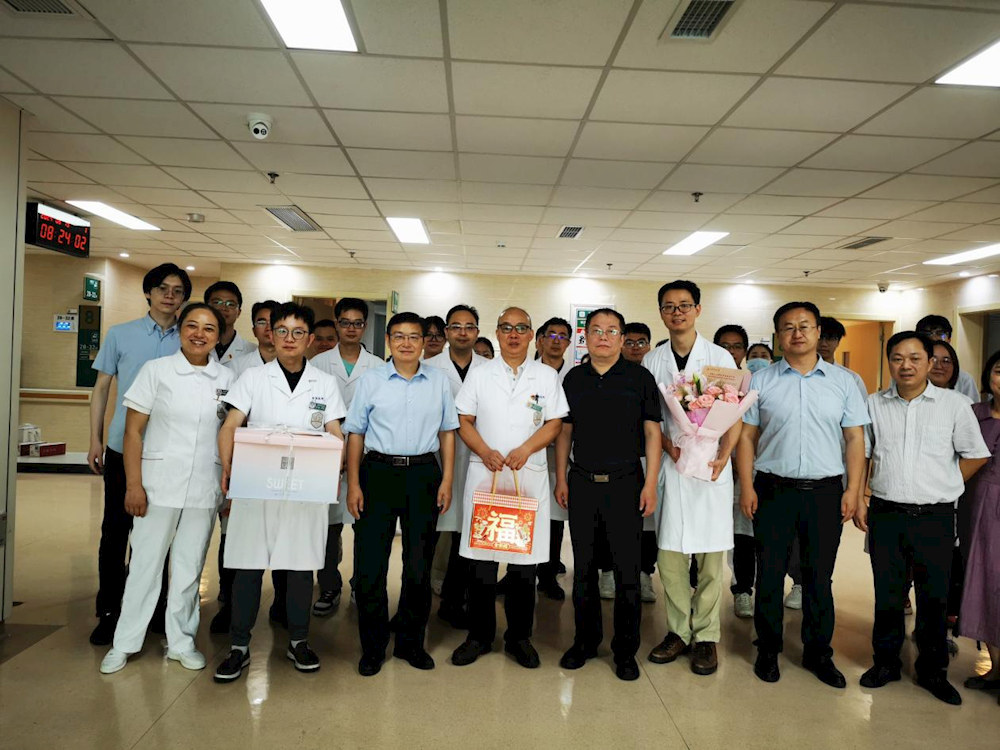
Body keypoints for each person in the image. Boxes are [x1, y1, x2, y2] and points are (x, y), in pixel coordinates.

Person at [738, 301, 869, 687]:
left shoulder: (844, 382)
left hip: (825, 492)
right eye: (788, 327)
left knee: (818, 577)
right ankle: (768, 648)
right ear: (778, 336)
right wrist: (746, 486)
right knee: (769, 573)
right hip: (772, 489)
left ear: (817, 332)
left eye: (805, 326)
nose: (797, 333)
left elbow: (855, 438)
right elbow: (746, 436)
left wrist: (854, 490)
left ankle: (818, 652)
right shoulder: (761, 381)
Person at [213, 303, 347, 682]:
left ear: (310, 339)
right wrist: (229, 467)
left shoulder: (324, 383)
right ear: (270, 334)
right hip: (256, 486)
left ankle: (298, 641)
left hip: (305, 490)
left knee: (301, 567)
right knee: (248, 566)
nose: (290, 339)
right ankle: (239, 647)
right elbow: (230, 425)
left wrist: (335, 466)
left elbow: (336, 433)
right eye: (282, 331)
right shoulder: (253, 378)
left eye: (298, 332)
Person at [100, 304, 234, 673]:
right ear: (181, 330)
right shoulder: (156, 371)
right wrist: (133, 485)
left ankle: (181, 642)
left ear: (218, 336)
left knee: (189, 568)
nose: (199, 334)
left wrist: (229, 487)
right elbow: (132, 432)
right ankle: (125, 643)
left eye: (209, 328)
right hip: (157, 485)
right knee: (145, 566)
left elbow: (231, 433)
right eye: (192, 325)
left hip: (204, 486)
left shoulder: (227, 377)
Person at [855, 331, 988, 705]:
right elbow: (864, 453)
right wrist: (861, 498)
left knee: (934, 598)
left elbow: (976, 454)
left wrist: (946, 482)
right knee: (888, 595)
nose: (906, 365)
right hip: (887, 513)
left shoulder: (955, 404)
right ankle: (885, 663)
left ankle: (933, 671)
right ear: (889, 363)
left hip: (935, 516)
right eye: (897, 358)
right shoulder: (873, 403)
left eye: (915, 358)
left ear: (930, 363)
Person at [450, 307, 568, 669]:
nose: (513, 334)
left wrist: (527, 449)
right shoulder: (480, 374)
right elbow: (463, 419)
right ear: (497, 333)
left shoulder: (546, 376)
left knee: (523, 567)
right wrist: (485, 451)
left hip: (527, 477)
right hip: (486, 474)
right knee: (481, 565)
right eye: (506, 328)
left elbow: (555, 423)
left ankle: (519, 637)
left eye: (520, 328)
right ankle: (479, 636)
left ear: (531, 335)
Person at [344, 312, 459, 676]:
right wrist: (353, 484)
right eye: (399, 336)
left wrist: (447, 480)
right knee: (370, 566)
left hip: (423, 474)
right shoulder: (371, 380)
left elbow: (447, 432)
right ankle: (373, 646)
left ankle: (411, 643)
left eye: (414, 336)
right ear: (388, 341)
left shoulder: (438, 381)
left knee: (418, 566)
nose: (406, 343)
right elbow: (356, 433)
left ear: (424, 342)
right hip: (377, 472)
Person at [87, 263, 191, 645]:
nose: (169, 295)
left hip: (168, 453)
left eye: (177, 290)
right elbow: (101, 388)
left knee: (161, 536)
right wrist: (95, 439)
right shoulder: (121, 334)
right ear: (148, 292)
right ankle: (109, 612)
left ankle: (156, 610)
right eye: (162, 288)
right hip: (121, 446)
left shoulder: (190, 338)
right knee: (116, 532)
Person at [555, 309, 662, 681]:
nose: (603, 336)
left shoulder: (640, 378)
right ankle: (585, 641)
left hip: (626, 483)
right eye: (596, 330)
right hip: (582, 481)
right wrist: (561, 477)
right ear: (586, 337)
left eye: (611, 331)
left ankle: (625, 650)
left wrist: (650, 484)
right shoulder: (574, 378)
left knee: (626, 572)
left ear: (621, 338)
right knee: (583, 569)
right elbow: (564, 432)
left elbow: (653, 433)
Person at [644, 281, 740, 676]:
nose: (677, 312)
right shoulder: (652, 360)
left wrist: (725, 454)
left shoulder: (719, 358)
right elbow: (649, 419)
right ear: (662, 313)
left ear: (698, 310)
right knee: (669, 557)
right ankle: (678, 631)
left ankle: (706, 636)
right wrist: (669, 447)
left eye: (684, 305)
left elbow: (734, 413)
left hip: (711, 468)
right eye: (669, 306)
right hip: (672, 464)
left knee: (711, 560)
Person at [210, 299, 280, 634]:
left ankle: (282, 603)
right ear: (254, 328)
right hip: (243, 465)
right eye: (263, 322)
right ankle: (229, 603)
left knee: (281, 536)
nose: (270, 329)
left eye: (275, 323)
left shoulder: (301, 370)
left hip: (282, 468)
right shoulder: (238, 367)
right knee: (234, 537)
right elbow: (227, 421)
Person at [311, 298, 383, 615]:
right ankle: (329, 585)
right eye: (345, 322)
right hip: (326, 457)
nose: (351, 328)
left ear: (364, 326)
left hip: (367, 457)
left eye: (357, 323)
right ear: (336, 323)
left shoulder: (379, 367)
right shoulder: (317, 364)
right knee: (328, 528)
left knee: (365, 528)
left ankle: (360, 586)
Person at [424, 304, 488, 626]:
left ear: (477, 332)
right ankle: (418, 605)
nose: (463, 332)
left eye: (469, 327)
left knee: (468, 535)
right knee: (429, 536)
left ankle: (454, 601)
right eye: (456, 326)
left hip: (479, 460)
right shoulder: (427, 368)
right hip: (435, 461)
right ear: (447, 331)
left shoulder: (490, 369)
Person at [959, 350, 1000, 698]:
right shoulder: (974, 414)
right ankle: (996, 669)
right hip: (978, 508)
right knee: (985, 582)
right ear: (988, 376)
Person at [714, 324, 756, 620]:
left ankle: (742, 589)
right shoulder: (703, 381)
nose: (730, 352)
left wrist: (743, 467)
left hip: (745, 471)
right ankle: (698, 587)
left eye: (737, 346)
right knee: (707, 531)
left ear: (745, 351)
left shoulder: (754, 382)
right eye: (724, 346)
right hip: (710, 468)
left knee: (743, 534)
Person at [535, 316, 573, 601]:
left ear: (569, 343)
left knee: (555, 519)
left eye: (563, 336)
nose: (557, 341)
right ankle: (516, 574)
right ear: (541, 340)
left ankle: (547, 575)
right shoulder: (528, 373)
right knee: (525, 515)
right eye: (552, 335)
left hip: (562, 457)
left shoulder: (574, 376)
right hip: (529, 455)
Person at [916, 315, 980, 402]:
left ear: (949, 339)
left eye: (940, 334)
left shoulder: (964, 379)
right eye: (927, 334)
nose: (934, 338)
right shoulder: (908, 372)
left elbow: (972, 407)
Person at [204, 281, 256, 365]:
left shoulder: (253, 351)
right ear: (206, 308)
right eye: (217, 302)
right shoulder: (195, 344)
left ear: (238, 312)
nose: (223, 308)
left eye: (231, 304)